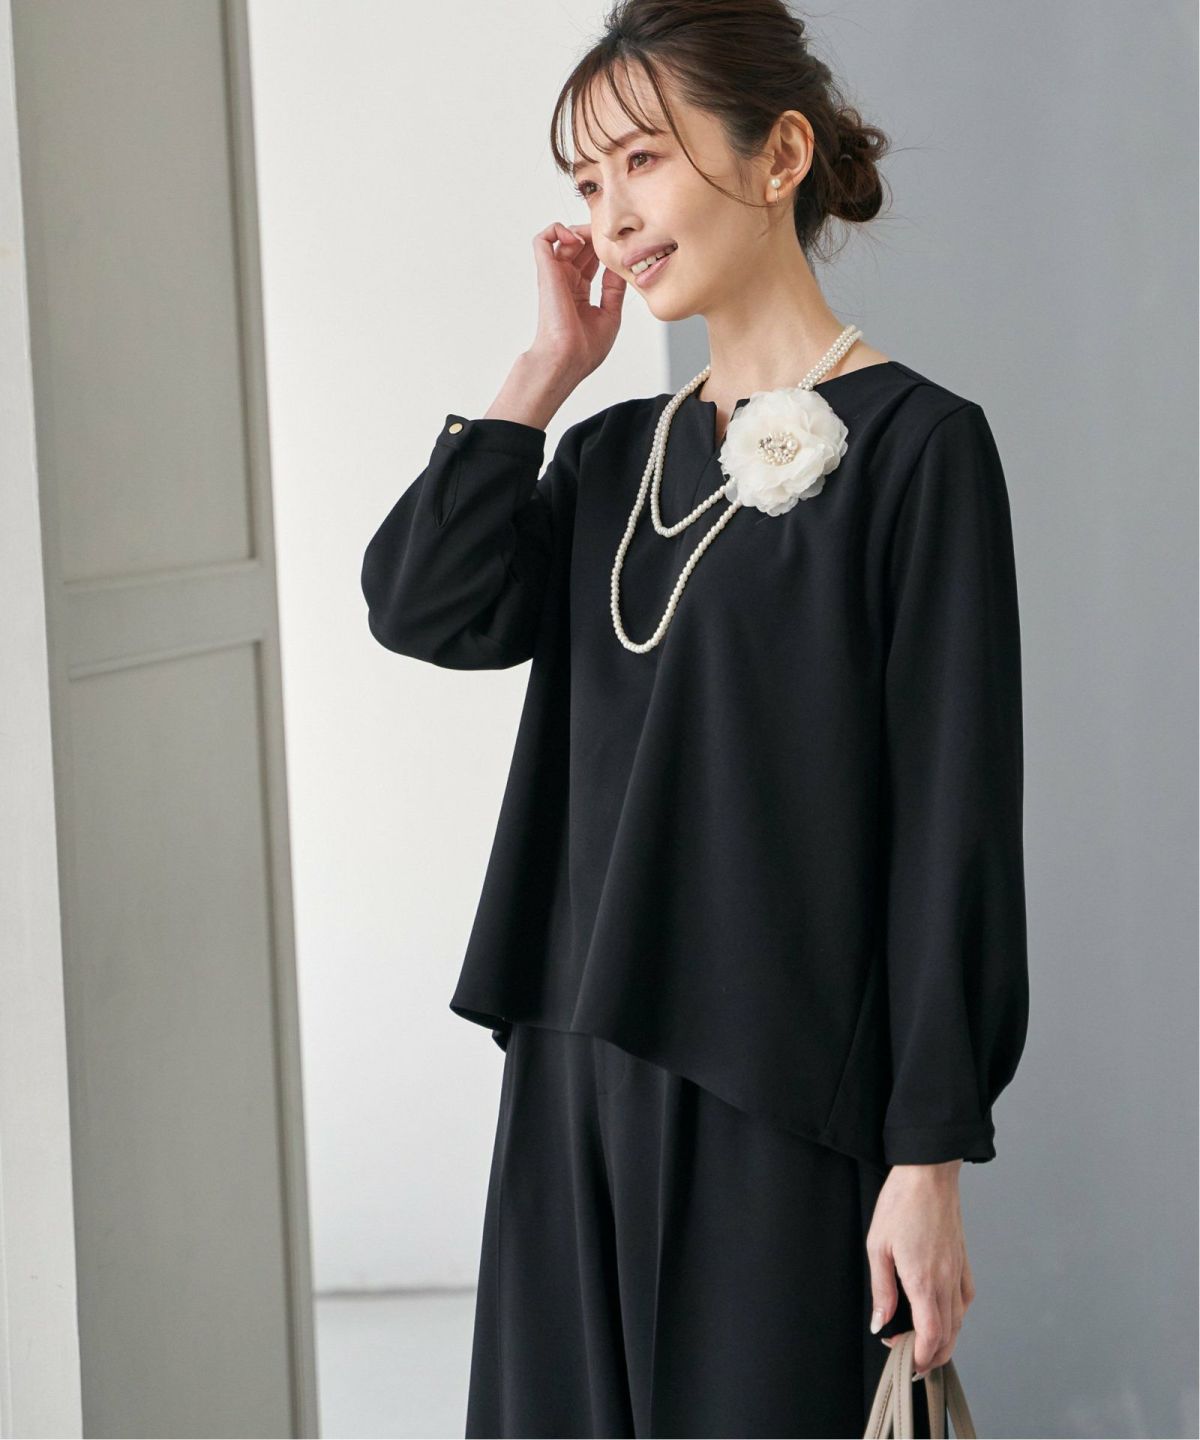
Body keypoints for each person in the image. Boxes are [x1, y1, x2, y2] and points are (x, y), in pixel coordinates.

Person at [361, 1, 1029, 1434]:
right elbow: (424, 606)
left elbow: (951, 826)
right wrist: (545, 374)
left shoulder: (921, 452)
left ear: (780, 154)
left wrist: (928, 1159)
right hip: (571, 1070)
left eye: (642, 162)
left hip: (775, 1094)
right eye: (586, 180)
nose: (610, 215)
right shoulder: (607, 457)